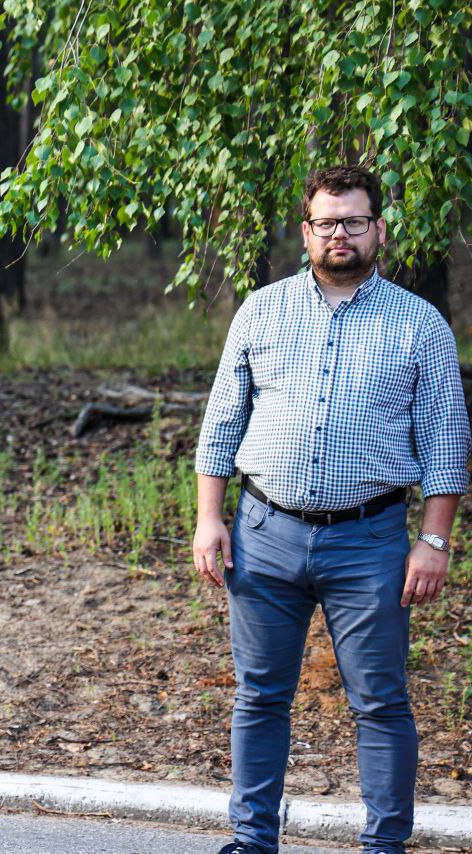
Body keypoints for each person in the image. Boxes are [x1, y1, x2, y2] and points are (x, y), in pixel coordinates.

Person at [193, 165, 469, 854]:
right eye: (325, 222)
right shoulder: (260, 310)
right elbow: (222, 423)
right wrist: (209, 518)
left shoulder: (419, 325)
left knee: (379, 701)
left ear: (378, 228)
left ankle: (385, 846)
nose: (338, 234)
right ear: (306, 231)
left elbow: (446, 442)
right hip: (264, 535)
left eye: (353, 221)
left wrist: (432, 543)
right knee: (259, 696)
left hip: (370, 540)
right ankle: (251, 842)